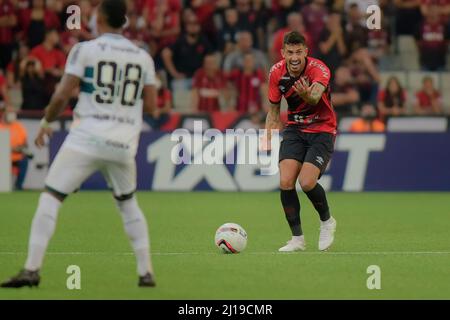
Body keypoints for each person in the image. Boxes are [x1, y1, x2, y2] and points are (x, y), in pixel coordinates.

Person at [1, 0, 158, 288]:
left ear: (100, 18)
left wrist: (47, 122)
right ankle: (145, 272)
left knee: (50, 197)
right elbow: (151, 105)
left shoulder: (85, 50)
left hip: (86, 137)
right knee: (128, 204)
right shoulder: (142, 57)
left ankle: (31, 269)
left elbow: (61, 95)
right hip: (123, 144)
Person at [264, 31, 337, 252]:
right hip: (295, 129)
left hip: (322, 128)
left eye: (298, 52)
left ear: (306, 51)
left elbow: (314, 97)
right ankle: (297, 239)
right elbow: (274, 111)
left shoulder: (319, 69)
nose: (294, 57)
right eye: (290, 52)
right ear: (283, 53)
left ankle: (327, 222)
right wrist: (268, 136)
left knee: (306, 182)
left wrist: (305, 94)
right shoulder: (276, 73)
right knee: (286, 181)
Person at [0, 106, 32, 190]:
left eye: (13, 112)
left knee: (24, 160)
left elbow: (25, 144)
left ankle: (18, 186)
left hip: (17, 156)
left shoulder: (18, 126)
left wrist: (20, 148)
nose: (12, 115)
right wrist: (10, 149)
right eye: (9, 112)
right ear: (3, 113)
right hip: (2, 157)